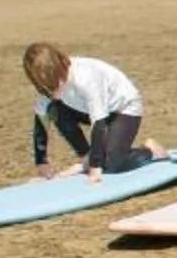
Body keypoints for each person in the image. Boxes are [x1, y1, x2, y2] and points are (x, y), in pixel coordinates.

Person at [24, 44, 165, 181]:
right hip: (87, 109)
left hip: (123, 109)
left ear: (60, 66)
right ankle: (85, 156)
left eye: (56, 82)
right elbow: (41, 120)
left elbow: (99, 124)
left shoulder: (85, 77)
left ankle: (150, 150)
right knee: (54, 109)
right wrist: (41, 161)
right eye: (48, 87)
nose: (54, 89)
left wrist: (95, 166)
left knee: (111, 165)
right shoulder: (47, 87)